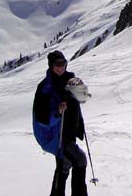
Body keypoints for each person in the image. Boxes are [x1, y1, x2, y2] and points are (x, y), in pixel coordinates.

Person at [33, 51, 88, 196]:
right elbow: (41, 116)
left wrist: (79, 124)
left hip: (69, 131)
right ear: (51, 66)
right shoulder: (45, 87)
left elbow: (78, 102)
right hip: (57, 135)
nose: (60, 67)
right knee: (79, 160)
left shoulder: (70, 81)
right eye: (57, 64)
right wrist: (57, 112)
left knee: (64, 165)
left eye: (63, 63)